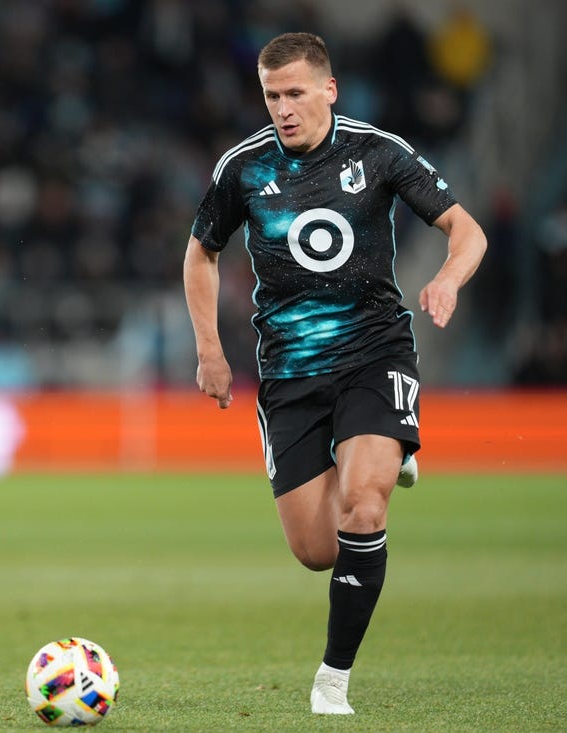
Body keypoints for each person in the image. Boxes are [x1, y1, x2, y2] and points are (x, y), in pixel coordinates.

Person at [183, 33, 486, 715]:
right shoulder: (244, 167)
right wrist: (209, 350)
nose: (283, 108)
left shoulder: (377, 151)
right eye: (271, 95)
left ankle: (333, 678)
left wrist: (446, 279)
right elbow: (200, 253)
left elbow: (467, 229)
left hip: (374, 354)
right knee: (317, 549)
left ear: (329, 89)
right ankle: (385, 455)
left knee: (364, 505)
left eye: (295, 93)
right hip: (288, 375)